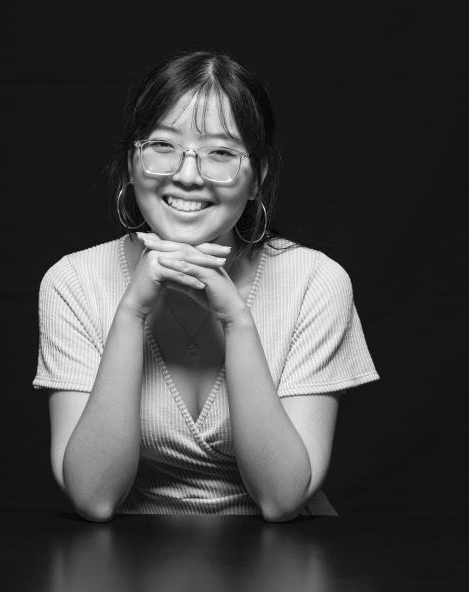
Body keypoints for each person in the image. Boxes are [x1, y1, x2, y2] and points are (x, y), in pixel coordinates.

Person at [32, 50, 380, 522]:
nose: (188, 175)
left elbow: (281, 500)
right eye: (162, 146)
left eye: (221, 153)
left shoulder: (315, 282)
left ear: (257, 178)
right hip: (122, 560)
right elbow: (94, 498)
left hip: (280, 558)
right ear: (131, 163)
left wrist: (237, 321)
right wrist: (131, 313)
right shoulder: (72, 282)